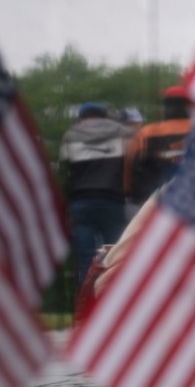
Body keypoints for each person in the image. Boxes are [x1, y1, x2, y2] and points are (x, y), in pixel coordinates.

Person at [60, 103, 133, 286]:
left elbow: (66, 171)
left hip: (81, 202)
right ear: (104, 116)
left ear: (81, 117)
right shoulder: (123, 133)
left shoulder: (70, 135)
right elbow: (133, 165)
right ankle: (115, 303)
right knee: (115, 257)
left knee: (86, 258)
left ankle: (86, 307)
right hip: (113, 201)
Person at [123, 85, 191, 214]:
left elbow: (131, 164)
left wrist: (131, 194)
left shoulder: (148, 132)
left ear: (166, 107)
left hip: (158, 202)